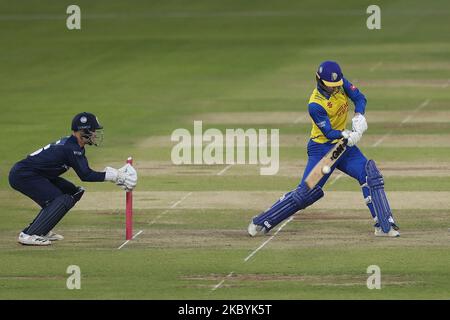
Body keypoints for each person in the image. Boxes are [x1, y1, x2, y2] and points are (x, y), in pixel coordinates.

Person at [248, 61, 400, 238]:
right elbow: (328, 132)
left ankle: (384, 224)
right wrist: (346, 134)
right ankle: (262, 221)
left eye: (337, 86)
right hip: (323, 150)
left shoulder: (339, 83)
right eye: (331, 87)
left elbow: (360, 98)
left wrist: (359, 115)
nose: (336, 89)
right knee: (306, 193)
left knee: (370, 174)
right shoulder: (315, 104)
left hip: (343, 147)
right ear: (320, 82)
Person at [9, 112, 138, 246]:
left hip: (37, 175)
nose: (95, 134)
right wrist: (114, 176)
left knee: (73, 192)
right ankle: (28, 235)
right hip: (24, 175)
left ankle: (42, 229)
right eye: (93, 130)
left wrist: (113, 175)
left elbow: (85, 173)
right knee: (60, 199)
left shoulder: (75, 146)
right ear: (83, 131)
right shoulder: (72, 148)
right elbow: (86, 175)